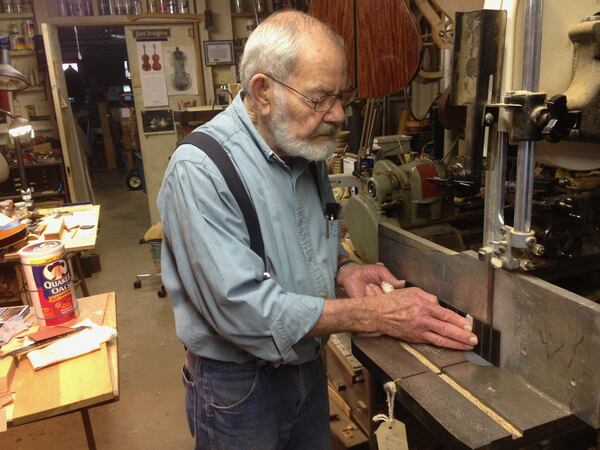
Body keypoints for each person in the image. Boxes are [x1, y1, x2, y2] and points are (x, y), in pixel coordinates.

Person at [157, 10, 477, 450]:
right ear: (262, 92)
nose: (339, 114)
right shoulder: (200, 170)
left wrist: (344, 269)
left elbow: (308, 240)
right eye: (320, 98)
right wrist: (375, 314)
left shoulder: (302, 149)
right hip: (240, 389)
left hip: (307, 363)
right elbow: (243, 309)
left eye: (342, 95)